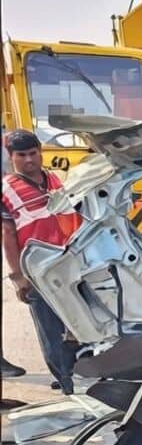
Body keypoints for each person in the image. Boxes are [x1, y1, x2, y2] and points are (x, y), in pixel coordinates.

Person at [2, 130, 80, 395]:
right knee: (50, 327)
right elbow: (8, 236)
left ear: (40, 152)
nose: (28, 160)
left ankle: (77, 369)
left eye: (33, 153)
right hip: (36, 269)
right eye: (21, 155)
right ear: (11, 156)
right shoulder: (6, 190)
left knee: (77, 319)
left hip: (67, 261)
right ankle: (65, 379)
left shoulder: (54, 179)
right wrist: (18, 277)